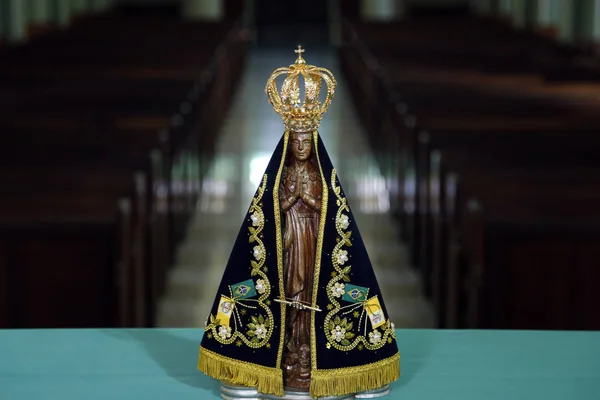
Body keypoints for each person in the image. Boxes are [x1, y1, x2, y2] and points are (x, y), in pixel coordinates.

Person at [280, 131, 322, 389]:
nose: (301, 147)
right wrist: (292, 196)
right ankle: (291, 344)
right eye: (296, 142)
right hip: (291, 237)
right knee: (291, 288)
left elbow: (324, 206)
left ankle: (307, 343)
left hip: (310, 235)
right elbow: (277, 206)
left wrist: (305, 197)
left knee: (308, 287)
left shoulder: (317, 174)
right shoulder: (284, 174)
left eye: (306, 142)